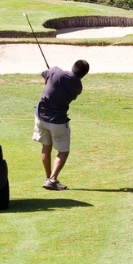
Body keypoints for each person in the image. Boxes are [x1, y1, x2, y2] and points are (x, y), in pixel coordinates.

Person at [33, 59, 89, 190]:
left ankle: (49, 178)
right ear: (83, 75)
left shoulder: (55, 71)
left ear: (73, 67)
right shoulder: (78, 87)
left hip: (40, 117)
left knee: (46, 147)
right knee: (63, 151)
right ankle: (52, 179)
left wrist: (50, 77)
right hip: (57, 121)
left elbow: (45, 79)